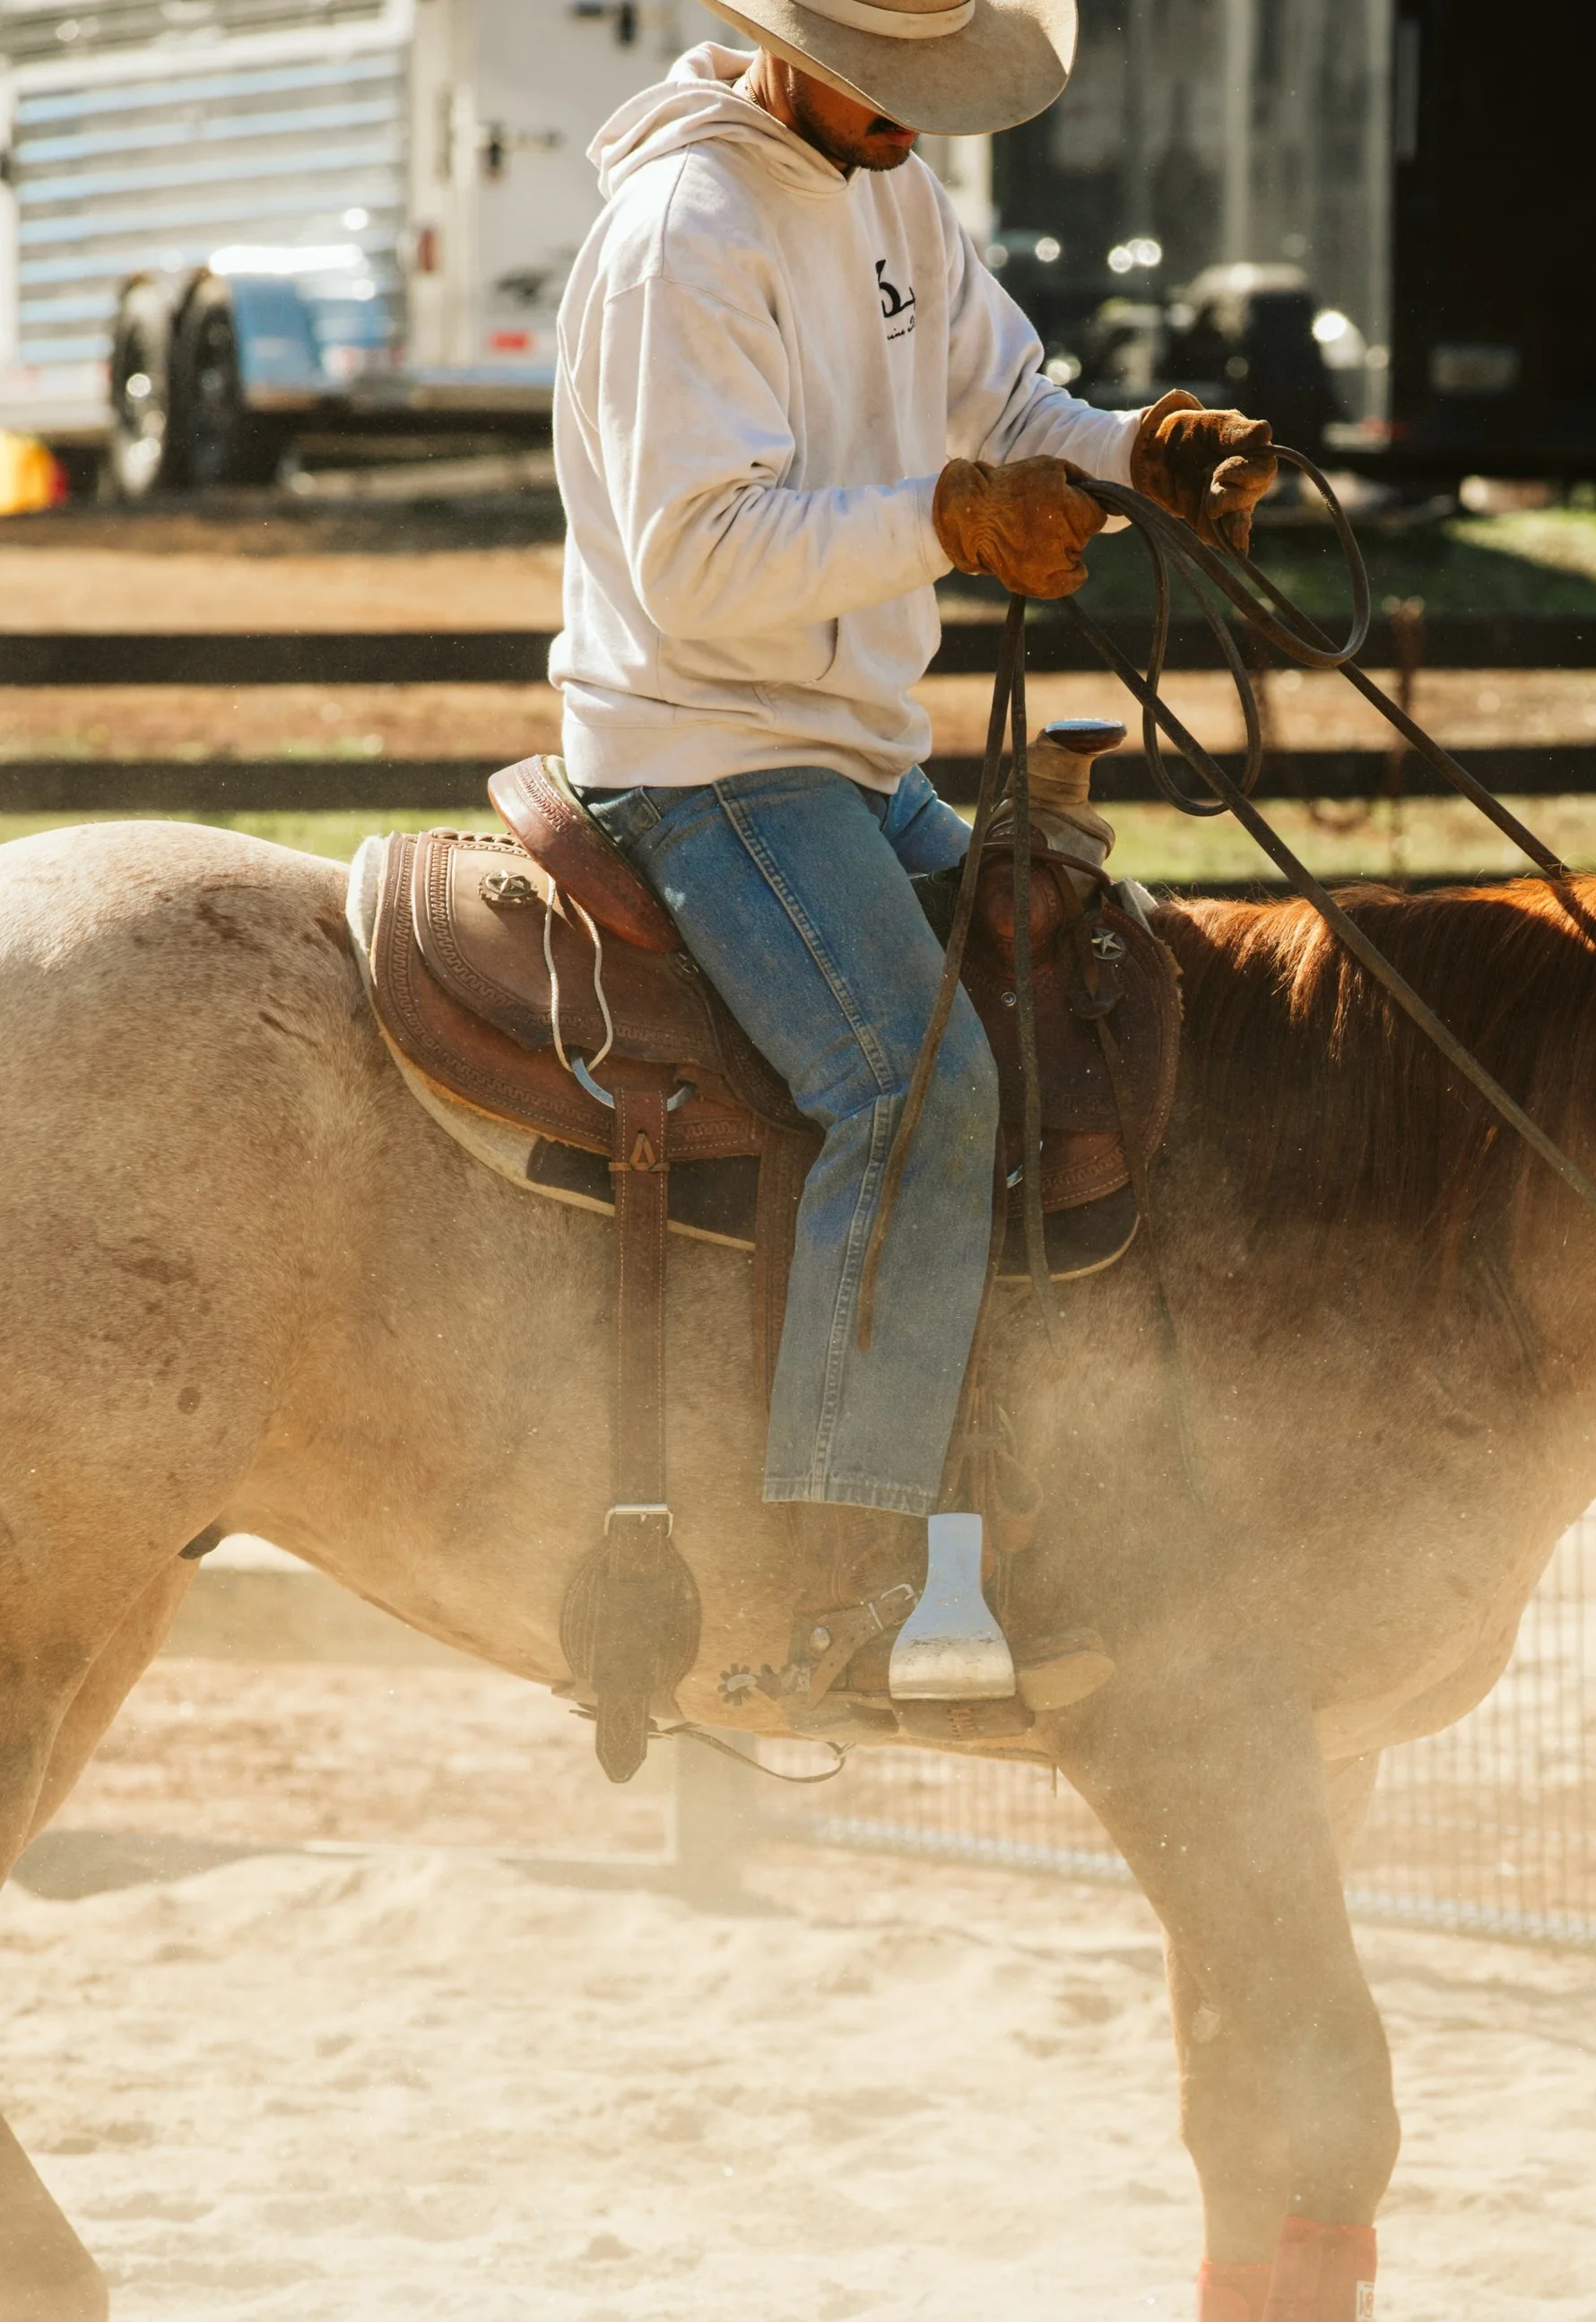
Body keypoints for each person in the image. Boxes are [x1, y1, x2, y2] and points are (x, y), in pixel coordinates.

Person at [551, 0, 1276, 1711]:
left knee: (1104, 985)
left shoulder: (894, 202)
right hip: (707, 756)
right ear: (792, 49)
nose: (908, 120)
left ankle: (1074, 1489)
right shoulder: (687, 234)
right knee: (915, 1079)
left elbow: (1009, 391)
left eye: (925, 91)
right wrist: (950, 520)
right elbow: (696, 562)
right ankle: (846, 1557)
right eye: (885, 89)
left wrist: (1133, 460)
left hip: (852, 755)